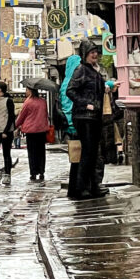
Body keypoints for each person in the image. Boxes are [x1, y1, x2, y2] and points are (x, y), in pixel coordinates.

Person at [67, 42, 107, 200]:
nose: (95, 55)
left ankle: (93, 186)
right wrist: (85, 104)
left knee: (94, 153)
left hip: (95, 117)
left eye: (96, 52)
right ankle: (82, 188)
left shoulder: (94, 71)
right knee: (87, 153)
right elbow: (70, 90)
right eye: (91, 53)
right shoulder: (81, 70)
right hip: (84, 117)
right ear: (84, 54)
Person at [60, 40, 92, 199]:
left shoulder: (66, 81)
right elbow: (68, 106)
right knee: (79, 158)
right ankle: (77, 189)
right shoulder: (72, 82)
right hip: (76, 124)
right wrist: (73, 124)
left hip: (73, 124)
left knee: (76, 158)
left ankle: (75, 188)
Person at [15, 86, 49, 182]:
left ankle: (33, 172)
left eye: (26, 90)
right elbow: (45, 115)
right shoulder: (43, 102)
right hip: (41, 130)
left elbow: (22, 116)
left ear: (30, 91)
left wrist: (16, 125)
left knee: (32, 152)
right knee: (41, 152)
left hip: (31, 131)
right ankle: (41, 171)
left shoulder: (28, 102)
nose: (25, 92)